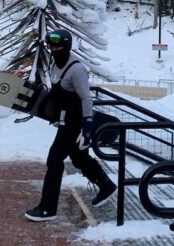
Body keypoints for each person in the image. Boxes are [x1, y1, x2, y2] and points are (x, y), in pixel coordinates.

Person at [24, 28, 117, 222]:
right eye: (51, 45)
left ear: (65, 46)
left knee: (54, 160)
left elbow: (86, 98)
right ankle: (106, 185)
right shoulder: (56, 65)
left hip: (76, 122)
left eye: (57, 45)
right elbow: (60, 94)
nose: (53, 48)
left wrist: (88, 128)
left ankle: (47, 208)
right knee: (78, 157)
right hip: (66, 119)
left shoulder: (76, 69)